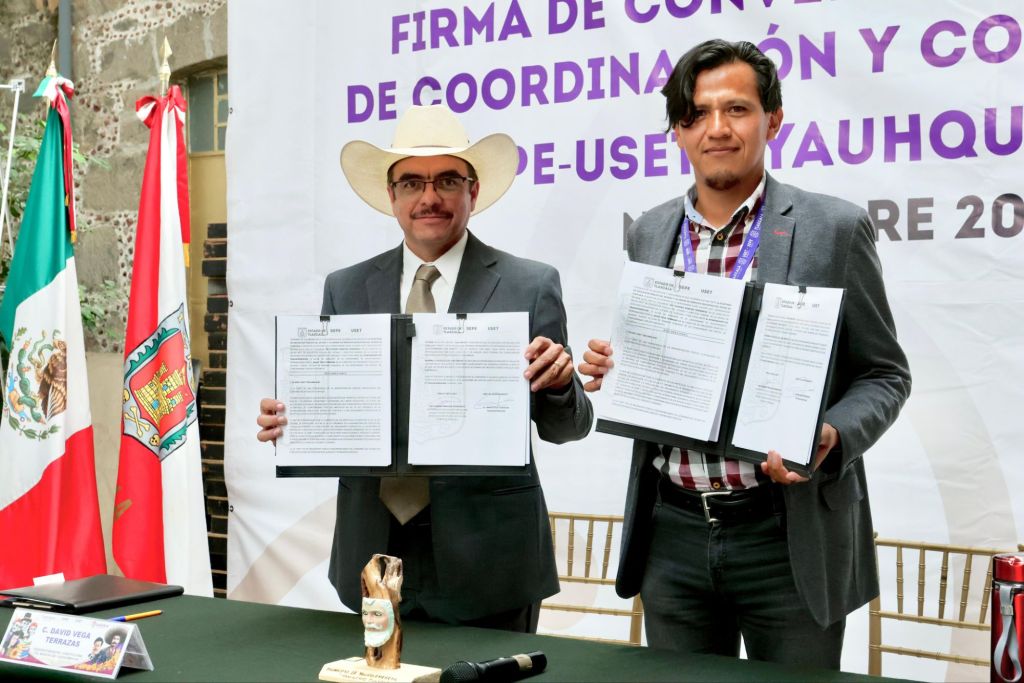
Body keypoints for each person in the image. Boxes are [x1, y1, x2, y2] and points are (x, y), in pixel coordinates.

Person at [578, 39, 911, 669]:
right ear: (678, 131)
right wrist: (615, 369)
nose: (717, 129)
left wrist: (833, 433)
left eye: (736, 109)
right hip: (672, 532)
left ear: (772, 120)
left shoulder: (834, 228)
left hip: (786, 534)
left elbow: (885, 374)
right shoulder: (650, 231)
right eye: (697, 114)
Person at [257, 104, 593, 632]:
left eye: (447, 181)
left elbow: (566, 428)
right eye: (412, 182)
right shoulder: (345, 288)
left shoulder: (530, 285)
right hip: (373, 549)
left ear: (473, 191)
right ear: (391, 196)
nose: (429, 197)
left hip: (491, 559)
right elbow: (341, 406)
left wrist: (559, 384)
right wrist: (294, 422)